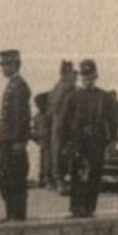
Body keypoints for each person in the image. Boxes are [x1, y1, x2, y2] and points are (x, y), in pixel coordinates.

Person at [62, 59, 118, 218]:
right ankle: (75, 207)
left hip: (96, 142)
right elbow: (65, 121)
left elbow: (112, 120)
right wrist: (65, 143)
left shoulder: (104, 97)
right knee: (76, 174)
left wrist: (113, 140)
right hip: (78, 142)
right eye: (84, 76)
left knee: (94, 174)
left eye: (90, 76)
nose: (87, 79)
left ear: (95, 76)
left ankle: (89, 208)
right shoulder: (73, 97)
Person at [0, 49, 32, 221]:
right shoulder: (13, 85)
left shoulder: (19, 86)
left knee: (15, 176)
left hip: (13, 140)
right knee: (7, 175)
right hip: (6, 139)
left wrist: (19, 140)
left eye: (5, 65)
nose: (3, 69)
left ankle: (17, 213)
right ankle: (11, 212)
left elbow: (21, 116)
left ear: (14, 65)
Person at [46, 59, 76, 192]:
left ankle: (54, 180)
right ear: (66, 73)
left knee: (56, 151)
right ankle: (60, 182)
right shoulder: (68, 88)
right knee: (63, 152)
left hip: (57, 124)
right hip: (64, 124)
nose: (75, 77)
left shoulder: (56, 88)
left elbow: (50, 109)